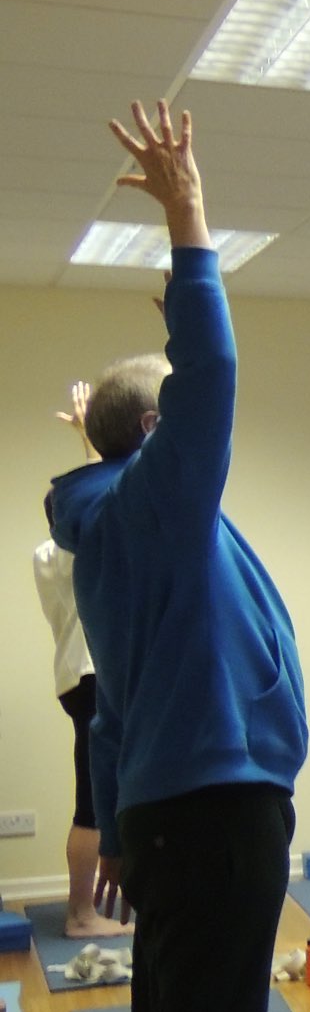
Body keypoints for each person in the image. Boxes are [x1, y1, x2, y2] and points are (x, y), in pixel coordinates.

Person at [48, 99, 310, 1012]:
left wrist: (110, 826)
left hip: (179, 800)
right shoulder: (150, 506)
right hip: (212, 807)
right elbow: (207, 377)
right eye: (177, 422)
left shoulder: (127, 523)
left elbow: (120, 700)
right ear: (156, 438)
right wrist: (188, 215)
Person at [34, 386, 130, 941]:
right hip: (97, 676)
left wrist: (86, 434)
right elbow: (103, 501)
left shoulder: (44, 555)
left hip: (75, 677)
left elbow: (92, 503)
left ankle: (98, 902)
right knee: (92, 800)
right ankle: (80, 915)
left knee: (98, 792)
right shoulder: (77, 547)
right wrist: (90, 439)